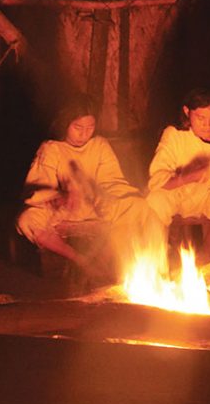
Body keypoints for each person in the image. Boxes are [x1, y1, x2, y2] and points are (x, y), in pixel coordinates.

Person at [17, 96, 152, 276]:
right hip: (62, 209)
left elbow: (113, 181)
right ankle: (81, 260)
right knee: (27, 219)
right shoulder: (52, 149)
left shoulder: (100, 145)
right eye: (78, 128)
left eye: (90, 128)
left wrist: (107, 197)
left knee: (138, 206)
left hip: (95, 205)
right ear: (65, 124)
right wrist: (60, 195)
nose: (84, 134)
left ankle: (105, 260)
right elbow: (36, 188)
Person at [146, 89, 210, 262]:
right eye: (201, 118)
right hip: (178, 192)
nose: (208, 125)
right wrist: (194, 175)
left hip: (209, 196)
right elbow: (157, 181)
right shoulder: (175, 135)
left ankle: (205, 254)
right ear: (187, 112)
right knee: (155, 200)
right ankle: (155, 260)